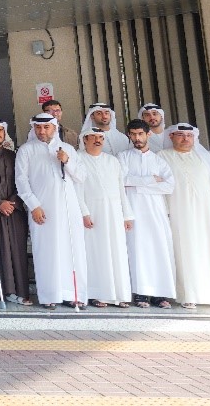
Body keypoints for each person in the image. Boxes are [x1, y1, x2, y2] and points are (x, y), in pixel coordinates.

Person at [160, 123, 210, 310]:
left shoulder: (205, 158)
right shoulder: (162, 157)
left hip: (207, 216)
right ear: (171, 137)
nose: (185, 139)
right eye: (180, 135)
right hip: (179, 215)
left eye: (189, 135)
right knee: (183, 252)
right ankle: (188, 295)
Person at [16, 113, 88, 310]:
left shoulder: (68, 149)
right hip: (42, 211)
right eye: (38, 128)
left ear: (54, 128)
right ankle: (49, 295)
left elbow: (81, 176)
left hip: (68, 209)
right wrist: (34, 205)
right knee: (46, 252)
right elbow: (21, 181)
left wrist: (67, 161)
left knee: (72, 251)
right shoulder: (26, 150)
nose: (42, 131)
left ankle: (73, 294)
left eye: (46, 127)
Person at [119, 119, 177, 309]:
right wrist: (152, 180)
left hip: (157, 213)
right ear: (129, 135)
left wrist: (138, 185)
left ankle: (159, 294)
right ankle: (140, 293)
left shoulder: (159, 160)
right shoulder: (123, 157)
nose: (137, 138)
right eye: (133, 134)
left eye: (140, 134)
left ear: (148, 134)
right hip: (133, 211)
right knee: (137, 251)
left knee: (159, 250)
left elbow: (169, 186)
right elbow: (121, 180)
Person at [76, 127, 134, 308]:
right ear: (85, 139)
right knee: (96, 253)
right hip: (92, 213)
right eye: (93, 137)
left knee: (117, 252)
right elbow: (77, 190)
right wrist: (84, 212)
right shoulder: (78, 159)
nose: (97, 140)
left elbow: (120, 189)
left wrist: (127, 215)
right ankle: (98, 294)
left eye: (100, 137)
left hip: (114, 212)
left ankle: (120, 294)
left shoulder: (113, 161)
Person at [0, 118, 32, 306]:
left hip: (14, 210)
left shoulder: (14, 156)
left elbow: (24, 181)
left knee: (16, 251)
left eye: (0, 131)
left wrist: (10, 202)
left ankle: (17, 292)